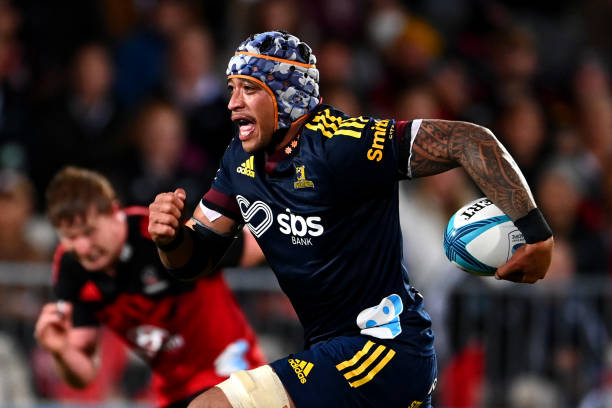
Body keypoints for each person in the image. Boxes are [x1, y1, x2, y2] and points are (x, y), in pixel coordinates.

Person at [147, 31, 554, 408]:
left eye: (249, 89)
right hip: (339, 352)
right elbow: (195, 261)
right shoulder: (239, 161)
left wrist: (536, 236)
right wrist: (169, 239)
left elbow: (469, 141)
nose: (233, 102)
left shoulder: (343, 143)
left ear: (286, 93)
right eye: (232, 88)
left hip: (383, 348)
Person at [34, 166, 267, 408]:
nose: (82, 247)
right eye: (71, 237)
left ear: (115, 212)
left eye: (90, 232)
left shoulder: (159, 233)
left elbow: (254, 246)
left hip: (232, 372)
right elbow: (84, 375)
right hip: (173, 392)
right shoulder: (71, 269)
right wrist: (61, 351)